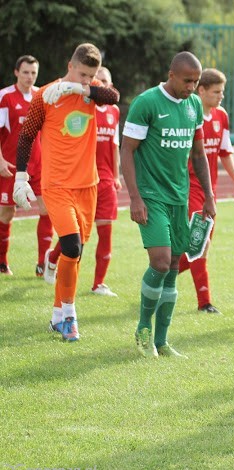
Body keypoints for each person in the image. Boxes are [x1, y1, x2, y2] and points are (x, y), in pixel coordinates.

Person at [13, 43, 120, 341]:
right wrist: (21, 178)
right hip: (57, 185)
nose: (87, 80)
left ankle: (57, 316)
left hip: (88, 185)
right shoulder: (44, 94)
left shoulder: (92, 90)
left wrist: (80, 91)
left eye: (91, 76)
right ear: (70, 65)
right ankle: (70, 315)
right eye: (82, 74)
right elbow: (26, 137)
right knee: (71, 246)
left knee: (76, 252)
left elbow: (114, 97)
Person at [121, 51, 215, 359]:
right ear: (171, 75)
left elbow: (198, 154)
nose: (192, 87)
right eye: (187, 80)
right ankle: (143, 328)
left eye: (196, 81)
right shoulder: (146, 103)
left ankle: (162, 341)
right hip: (151, 196)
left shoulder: (194, 106)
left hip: (180, 197)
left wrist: (210, 197)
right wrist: (135, 198)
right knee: (160, 262)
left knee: (174, 267)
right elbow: (127, 151)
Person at [177, 67, 234, 314]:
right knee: (199, 244)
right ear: (201, 90)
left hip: (209, 191)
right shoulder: (187, 114)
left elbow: (225, 152)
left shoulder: (221, 116)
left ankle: (162, 272)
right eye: (216, 92)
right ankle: (204, 302)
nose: (220, 96)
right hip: (189, 189)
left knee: (200, 246)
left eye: (222, 92)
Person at [0, 55, 50, 276]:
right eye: (26, 72)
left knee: (47, 210)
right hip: (11, 165)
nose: (30, 77)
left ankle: (42, 264)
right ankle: (2, 263)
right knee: (6, 213)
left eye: (34, 73)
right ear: (16, 72)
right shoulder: (5, 97)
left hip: (38, 166)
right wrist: (0, 160)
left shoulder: (42, 96)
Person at [89, 66, 121, 297]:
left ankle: (98, 284)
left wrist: (117, 175)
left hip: (107, 180)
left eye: (105, 81)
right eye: (97, 80)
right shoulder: (84, 107)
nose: (102, 84)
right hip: (84, 179)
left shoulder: (115, 111)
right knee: (77, 235)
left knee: (105, 232)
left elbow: (115, 146)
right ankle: (53, 258)